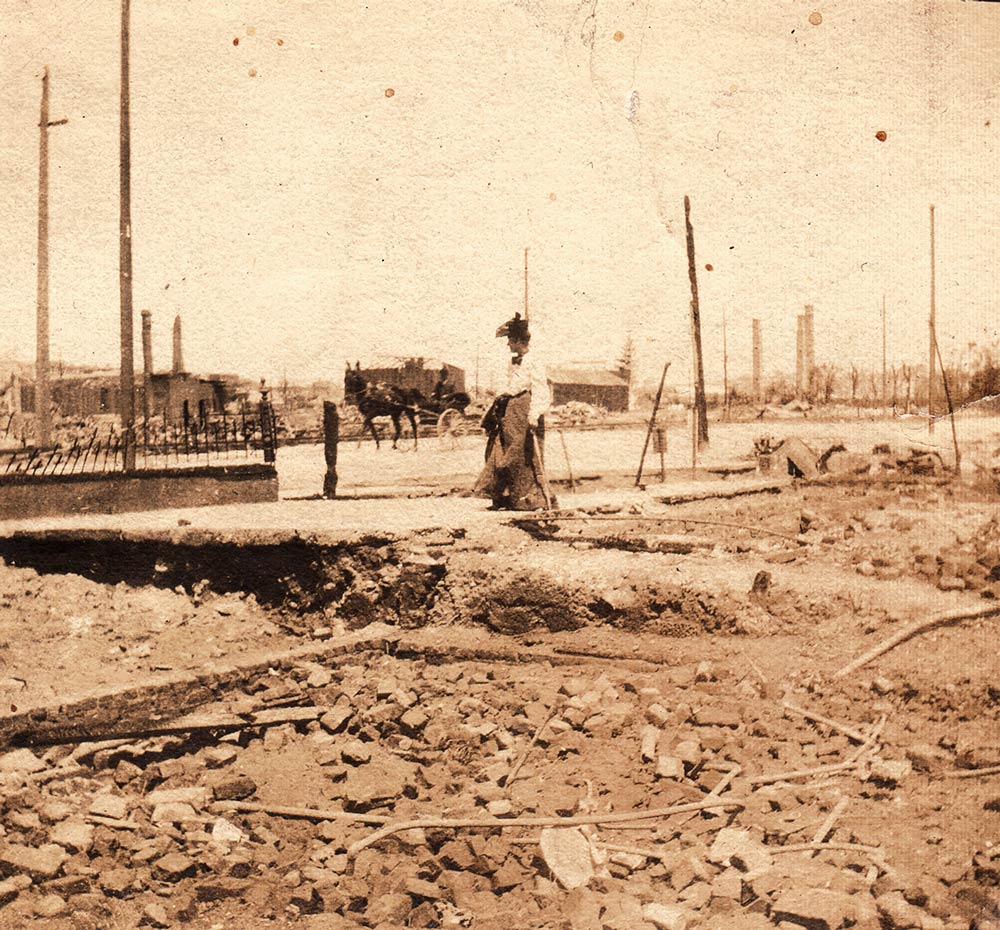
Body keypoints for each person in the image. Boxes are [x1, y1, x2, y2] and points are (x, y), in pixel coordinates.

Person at [474, 312, 556, 510]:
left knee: (521, 456)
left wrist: (534, 414)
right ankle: (502, 497)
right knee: (498, 452)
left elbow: (540, 390)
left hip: (523, 414)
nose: (508, 345)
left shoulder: (534, 361)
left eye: (510, 341)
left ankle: (528, 500)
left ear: (519, 341)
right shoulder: (513, 362)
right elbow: (509, 387)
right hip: (508, 414)